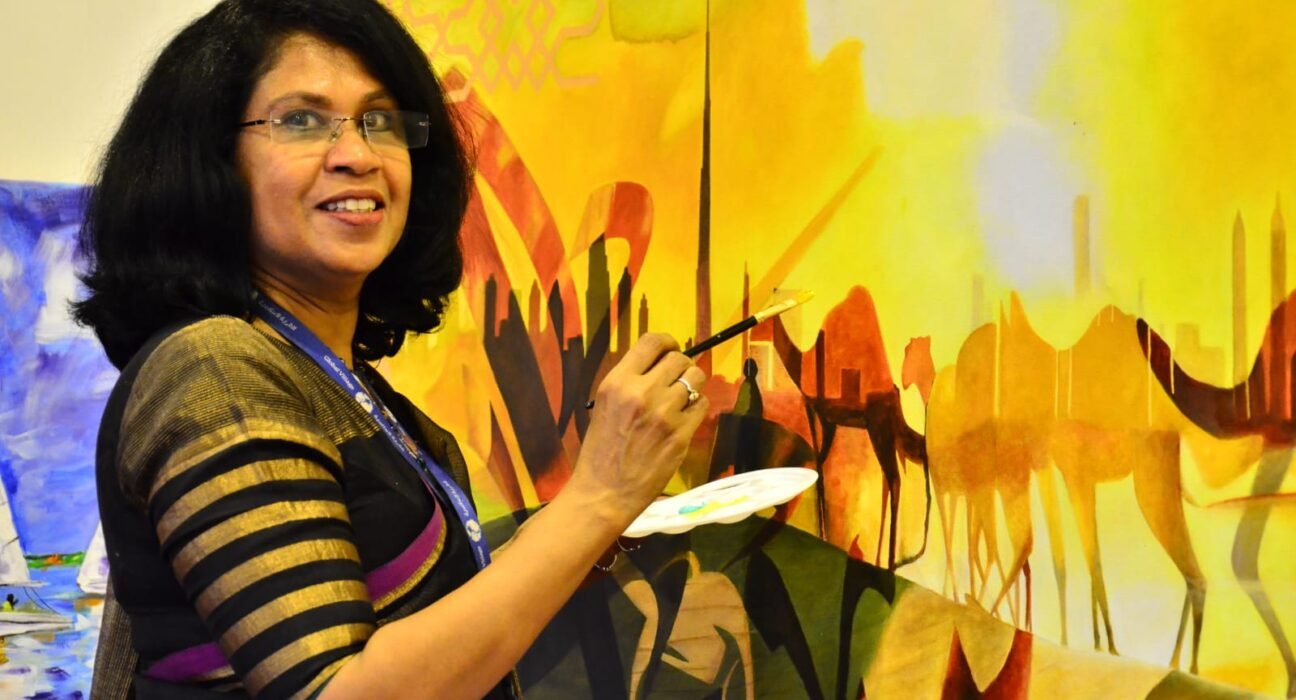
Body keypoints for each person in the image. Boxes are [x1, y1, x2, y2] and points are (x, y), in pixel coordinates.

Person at [73, 1, 708, 698]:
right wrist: (598, 497)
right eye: (301, 120)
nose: (358, 155)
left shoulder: (362, 396)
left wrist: (587, 526)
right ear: (210, 161)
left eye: (380, 121)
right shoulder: (217, 369)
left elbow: (410, 626)